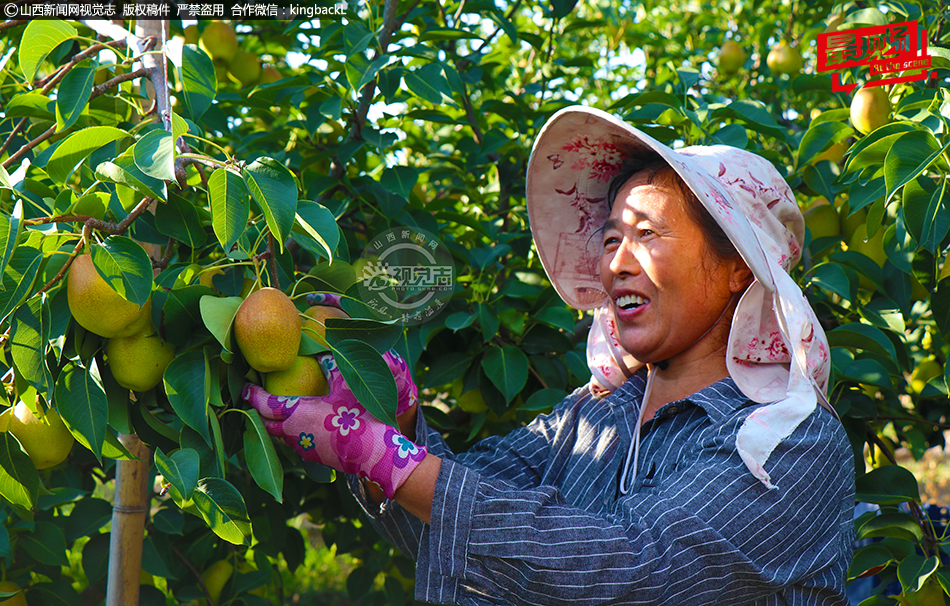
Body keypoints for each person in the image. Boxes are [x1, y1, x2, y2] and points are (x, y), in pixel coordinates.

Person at [243, 106, 855, 605]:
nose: (615, 263)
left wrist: (386, 457)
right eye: (610, 238)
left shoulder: (788, 442)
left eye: (646, 234)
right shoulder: (594, 415)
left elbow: (634, 572)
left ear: (738, 267)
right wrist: (393, 421)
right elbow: (447, 520)